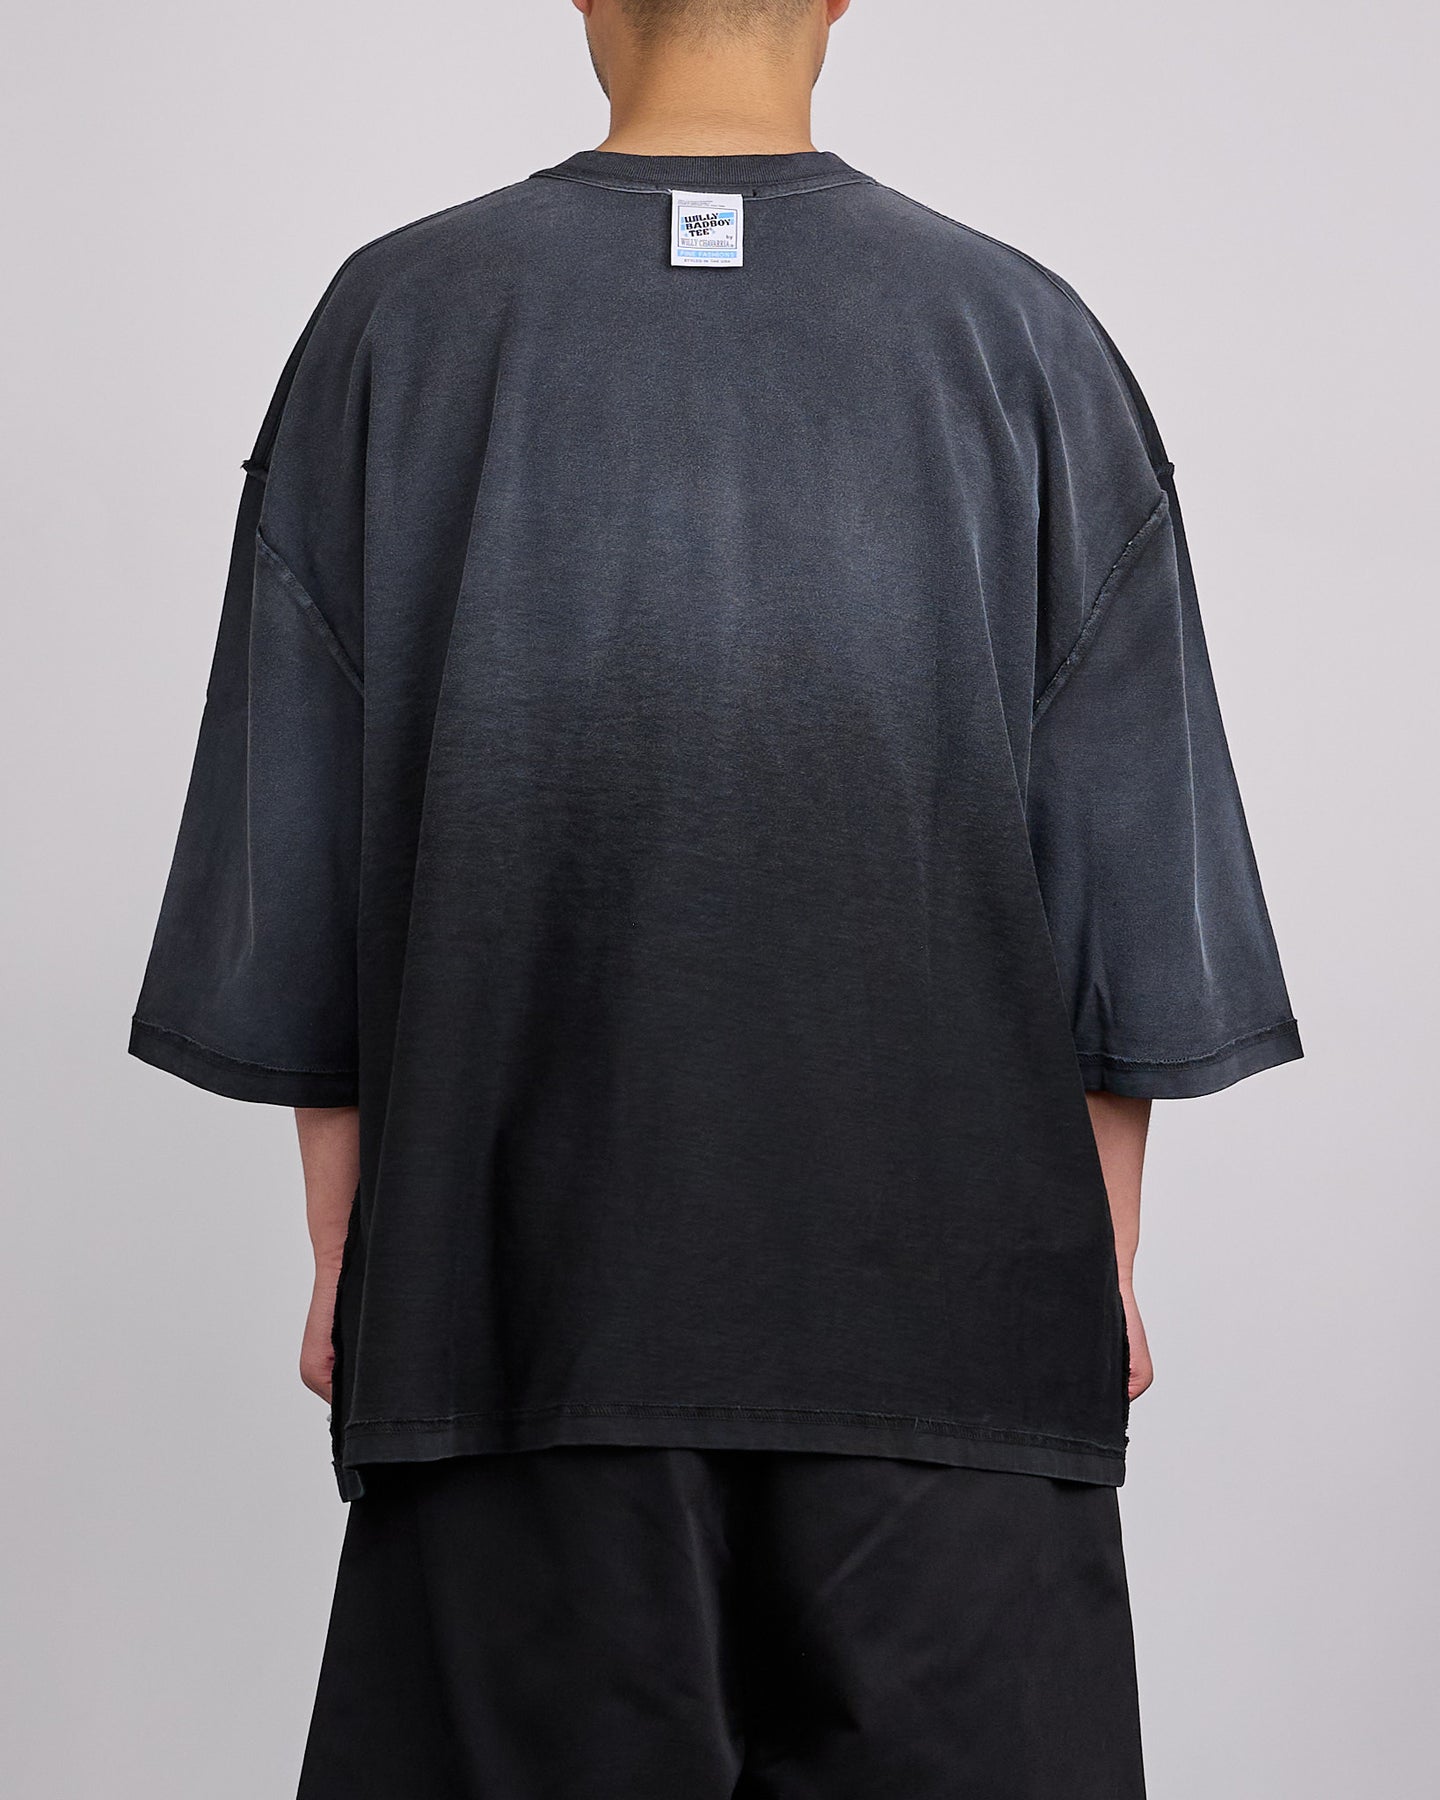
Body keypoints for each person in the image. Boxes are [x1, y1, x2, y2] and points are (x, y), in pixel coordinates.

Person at [128, 1, 1302, 1793]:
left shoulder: (399, 322)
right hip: (956, 1349)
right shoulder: (1024, 339)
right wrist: (1101, 1265)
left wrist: (354, 1260)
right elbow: (1131, 885)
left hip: (514, 1320)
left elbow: (296, 856)